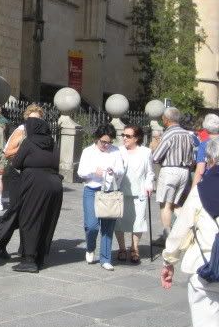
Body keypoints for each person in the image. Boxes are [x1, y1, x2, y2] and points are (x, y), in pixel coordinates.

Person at [161, 138, 219, 327]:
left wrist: (169, 261)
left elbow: (179, 232)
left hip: (206, 268)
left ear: (212, 159)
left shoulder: (200, 191)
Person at [10, 117, 63, 273]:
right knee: (47, 219)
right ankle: (40, 256)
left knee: (29, 219)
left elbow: (16, 163)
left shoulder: (28, 142)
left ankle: (29, 260)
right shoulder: (53, 143)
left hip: (34, 184)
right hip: (54, 184)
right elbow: (56, 164)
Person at [0, 103, 45, 259]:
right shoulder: (21, 131)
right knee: (16, 210)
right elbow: (7, 152)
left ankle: (25, 248)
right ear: (26, 119)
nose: (35, 122)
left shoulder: (42, 133)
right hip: (17, 175)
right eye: (31, 119)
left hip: (33, 175)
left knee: (30, 212)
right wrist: (25, 145)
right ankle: (1, 240)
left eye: (38, 119)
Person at [77, 123, 125, 271]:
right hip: (92, 189)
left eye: (109, 142)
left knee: (108, 226)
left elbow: (121, 170)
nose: (106, 145)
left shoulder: (115, 151)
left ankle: (105, 258)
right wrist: (93, 171)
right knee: (91, 225)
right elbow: (81, 172)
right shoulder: (88, 151)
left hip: (109, 190)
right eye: (103, 141)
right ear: (97, 139)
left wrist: (113, 170)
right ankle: (90, 247)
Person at [151, 107, 196, 247]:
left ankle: (167, 236)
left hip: (170, 170)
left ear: (167, 120)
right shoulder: (188, 134)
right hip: (185, 171)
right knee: (176, 203)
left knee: (165, 204)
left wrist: (154, 145)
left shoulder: (169, 134)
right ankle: (192, 226)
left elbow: (156, 157)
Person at [115, 125, 154, 264]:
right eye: (123, 135)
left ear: (136, 138)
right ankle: (121, 248)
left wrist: (149, 184)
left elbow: (150, 172)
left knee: (138, 221)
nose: (124, 138)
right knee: (118, 221)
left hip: (139, 191)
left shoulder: (146, 152)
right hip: (120, 191)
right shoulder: (118, 151)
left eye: (128, 136)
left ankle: (134, 248)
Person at [192, 113, 219, 187]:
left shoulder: (204, 145)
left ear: (205, 129)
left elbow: (200, 171)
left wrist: (193, 191)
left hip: (211, 181)